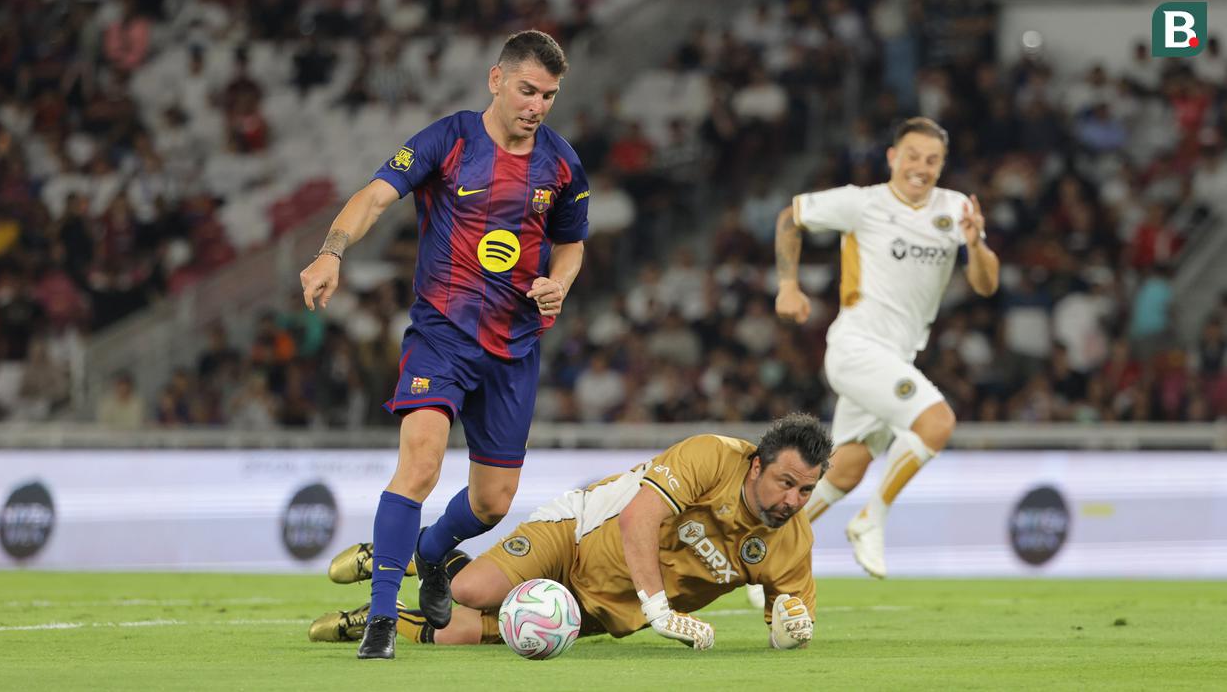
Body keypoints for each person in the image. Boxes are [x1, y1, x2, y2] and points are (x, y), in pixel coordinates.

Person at [298, 30, 589, 659]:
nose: (537, 105)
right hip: (441, 336)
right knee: (422, 464)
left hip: (514, 348)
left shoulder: (561, 163)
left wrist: (558, 283)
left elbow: (572, 241)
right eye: (527, 89)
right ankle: (380, 622)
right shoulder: (450, 140)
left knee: (493, 502)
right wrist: (330, 252)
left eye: (549, 95)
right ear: (496, 79)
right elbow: (375, 196)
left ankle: (431, 554)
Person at [308, 414, 832, 651]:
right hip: (578, 533)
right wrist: (661, 612)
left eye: (806, 491)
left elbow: (790, 625)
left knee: (462, 632)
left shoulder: (792, 543)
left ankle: (373, 621)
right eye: (786, 483)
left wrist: (790, 631)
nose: (792, 501)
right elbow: (638, 518)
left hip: (603, 607)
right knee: (472, 590)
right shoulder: (713, 456)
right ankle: (405, 553)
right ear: (758, 465)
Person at [773, 117, 1000, 579]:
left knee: (846, 469)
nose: (922, 167)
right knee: (937, 422)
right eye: (913, 156)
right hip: (856, 347)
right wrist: (788, 286)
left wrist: (975, 245)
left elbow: (986, 284)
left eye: (932, 160)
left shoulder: (955, 208)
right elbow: (789, 217)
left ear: (942, 165)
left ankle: (768, 552)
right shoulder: (862, 204)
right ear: (893, 157)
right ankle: (871, 520)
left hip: (895, 358)